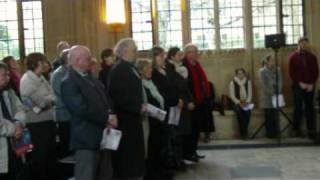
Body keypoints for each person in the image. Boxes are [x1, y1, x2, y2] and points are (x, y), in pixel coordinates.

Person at [61, 45, 116, 180]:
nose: (91, 60)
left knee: (104, 174)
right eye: (88, 57)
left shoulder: (89, 77)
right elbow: (81, 109)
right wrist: (106, 118)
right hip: (86, 138)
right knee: (86, 175)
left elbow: (105, 98)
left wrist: (111, 113)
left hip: (102, 135)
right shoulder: (69, 82)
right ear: (78, 60)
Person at [107, 38, 145, 180]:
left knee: (134, 154)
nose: (136, 52)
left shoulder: (130, 67)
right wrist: (137, 107)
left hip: (133, 118)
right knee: (126, 156)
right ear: (124, 52)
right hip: (125, 120)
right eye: (134, 50)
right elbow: (118, 96)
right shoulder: (119, 69)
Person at [20, 53, 58, 180]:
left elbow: (53, 95)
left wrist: (47, 100)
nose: (47, 64)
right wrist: (47, 100)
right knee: (40, 156)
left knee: (50, 155)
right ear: (37, 63)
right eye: (44, 62)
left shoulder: (40, 77)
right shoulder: (27, 80)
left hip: (47, 120)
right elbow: (40, 102)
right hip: (37, 123)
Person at [166, 47, 194, 169]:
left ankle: (181, 158)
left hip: (183, 103)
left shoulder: (179, 68)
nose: (180, 57)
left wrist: (190, 100)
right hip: (177, 104)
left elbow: (185, 86)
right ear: (172, 56)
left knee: (181, 133)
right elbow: (175, 87)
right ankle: (177, 160)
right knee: (176, 134)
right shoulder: (170, 69)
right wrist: (185, 101)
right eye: (178, 54)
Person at [136, 59, 165, 180]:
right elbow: (146, 103)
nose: (150, 70)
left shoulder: (151, 83)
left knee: (158, 148)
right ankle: (151, 174)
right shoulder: (140, 85)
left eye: (150, 68)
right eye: (147, 68)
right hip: (149, 122)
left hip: (158, 121)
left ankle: (158, 171)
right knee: (150, 149)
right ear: (141, 71)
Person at [183, 43, 212, 161]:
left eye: (196, 51)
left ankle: (193, 151)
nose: (195, 54)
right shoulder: (184, 66)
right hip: (191, 102)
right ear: (187, 54)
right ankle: (188, 152)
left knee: (196, 129)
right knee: (191, 129)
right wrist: (189, 101)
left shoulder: (197, 65)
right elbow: (185, 87)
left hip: (200, 101)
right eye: (192, 52)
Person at [288, 37, 319, 139]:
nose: (304, 45)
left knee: (310, 108)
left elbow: (316, 72)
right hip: (298, 86)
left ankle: (311, 131)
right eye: (302, 43)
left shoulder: (312, 57)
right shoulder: (293, 57)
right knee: (298, 108)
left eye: (306, 43)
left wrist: (311, 84)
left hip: (310, 86)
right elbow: (291, 73)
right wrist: (300, 83)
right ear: (299, 44)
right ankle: (296, 130)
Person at [0, 63, 26, 180]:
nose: (8, 78)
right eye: (4, 75)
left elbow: (20, 109)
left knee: (16, 172)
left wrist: (19, 123)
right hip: (3, 143)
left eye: (8, 75)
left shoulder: (9, 92)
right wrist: (14, 129)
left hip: (14, 143)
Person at [51, 49, 72, 158]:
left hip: (70, 114)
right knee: (66, 142)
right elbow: (64, 93)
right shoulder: (58, 74)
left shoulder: (69, 71)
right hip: (63, 114)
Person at [259, 54, 282, 139]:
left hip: (276, 96)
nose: (273, 62)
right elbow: (263, 85)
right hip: (267, 97)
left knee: (276, 115)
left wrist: (278, 91)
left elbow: (280, 81)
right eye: (271, 60)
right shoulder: (262, 71)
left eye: (274, 60)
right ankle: (270, 134)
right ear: (267, 61)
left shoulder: (278, 70)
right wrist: (272, 93)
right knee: (269, 116)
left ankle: (276, 133)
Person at [229, 68, 253, 139]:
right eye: (239, 74)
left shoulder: (248, 82)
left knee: (247, 113)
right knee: (239, 113)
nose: (241, 75)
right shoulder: (232, 82)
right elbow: (232, 96)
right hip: (237, 102)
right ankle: (243, 133)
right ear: (236, 74)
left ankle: (244, 132)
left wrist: (247, 102)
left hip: (246, 102)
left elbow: (250, 94)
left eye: (242, 73)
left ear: (244, 74)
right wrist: (240, 103)